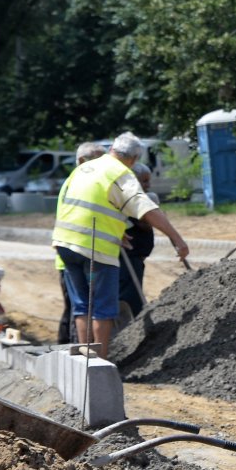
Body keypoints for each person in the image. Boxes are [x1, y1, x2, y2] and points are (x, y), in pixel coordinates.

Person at [52, 133, 189, 358]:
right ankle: (100, 362)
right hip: (94, 247)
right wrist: (177, 239)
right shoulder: (121, 173)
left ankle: (83, 359)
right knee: (103, 308)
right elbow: (146, 209)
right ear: (134, 158)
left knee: (81, 305)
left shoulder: (85, 168)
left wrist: (117, 232)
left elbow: (84, 204)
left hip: (64, 244)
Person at [55, 141, 108, 347]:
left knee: (79, 307)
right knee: (77, 308)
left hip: (78, 251)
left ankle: (73, 350)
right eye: (94, 161)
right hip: (72, 254)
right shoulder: (75, 184)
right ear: (80, 161)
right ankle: (71, 351)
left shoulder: (77, 183)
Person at [116, 162, 156, 321]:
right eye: (144, 181)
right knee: (130, 296)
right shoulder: (127, 202)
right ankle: (133, 326)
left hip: (136, 258)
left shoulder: (141, 199)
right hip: (127, 258)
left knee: (135, 292)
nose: (148, 185)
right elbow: (145, 223)